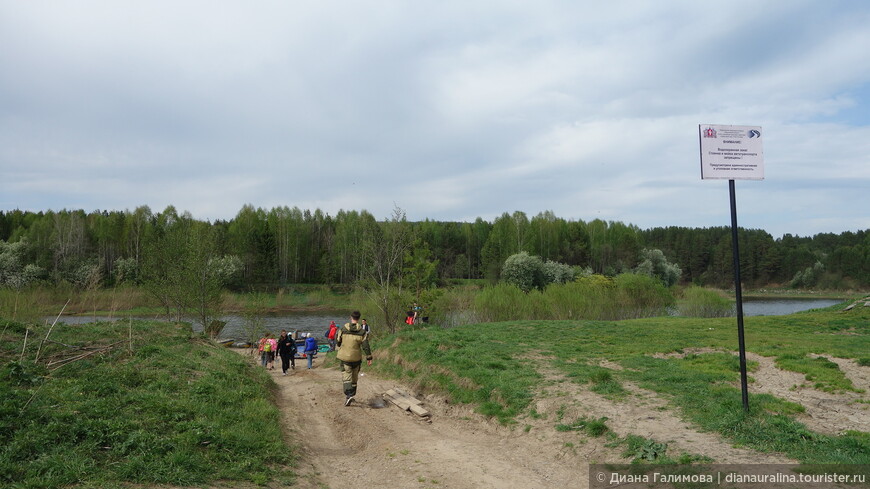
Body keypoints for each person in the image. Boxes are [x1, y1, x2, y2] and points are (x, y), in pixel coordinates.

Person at [336, 310, 373, 406]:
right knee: (354, 377)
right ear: (359, 319)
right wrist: (369, 357)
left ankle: (349, 395)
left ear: (350, 317)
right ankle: (352, 394)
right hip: (356, 358)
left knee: (346, 375)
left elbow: (338, 341)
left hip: (345, 357)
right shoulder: (362, 332)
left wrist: (340, 344)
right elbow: (365, 346)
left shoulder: (343, 329)